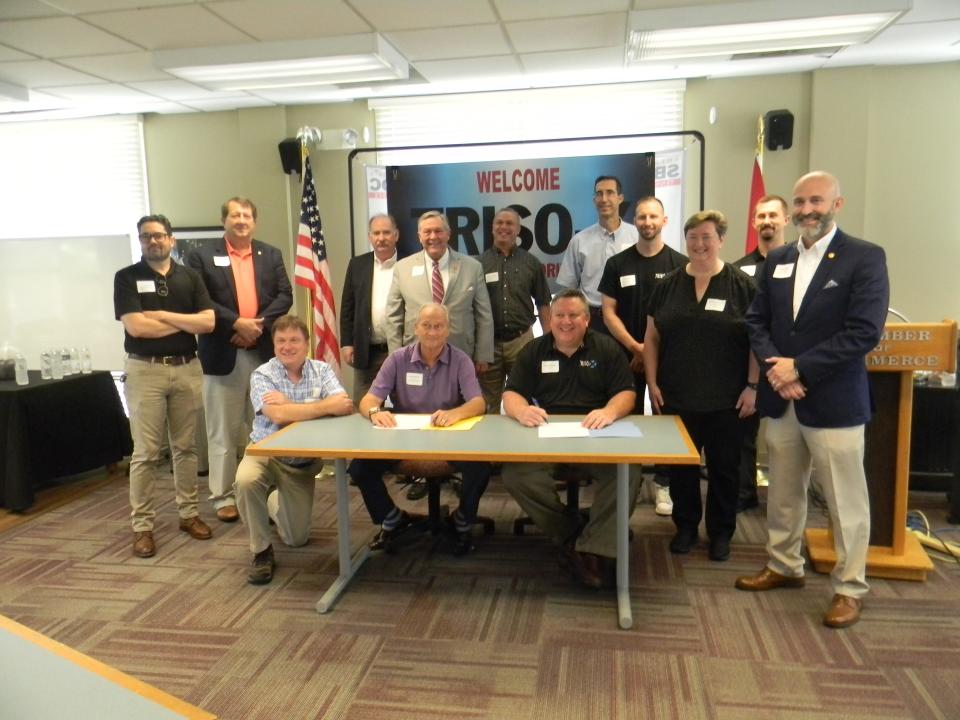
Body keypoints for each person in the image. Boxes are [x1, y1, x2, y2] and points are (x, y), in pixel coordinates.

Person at [736, 172, 889, 629]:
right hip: (782, 400)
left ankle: (849, 587)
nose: (806, 209)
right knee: (782, 492)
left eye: (816, 201)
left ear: (837, 203)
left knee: (845, 501)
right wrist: (777, 370)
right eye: (800, 201)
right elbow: (756, 320)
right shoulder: (778, 259)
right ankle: (784, 565)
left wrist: (798, 368)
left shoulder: (864, 257)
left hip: (834, 403)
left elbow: (864, 331)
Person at [501, 289, 638, 589]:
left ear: (587, 320)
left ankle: (593, 549)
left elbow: (626, 393)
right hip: (548, 436)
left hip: (597, 436)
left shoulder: (607, 349)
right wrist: (522, 410)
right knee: (515, 475)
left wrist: (610, 411)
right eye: (559, 315)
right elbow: (511, 394)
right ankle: (573, 531)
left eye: (573, 315)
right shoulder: (534, 350)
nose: (565, 322)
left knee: (628, 472)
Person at [643, 210, 759, 563]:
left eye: (707, 237)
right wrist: (651, 382)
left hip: (728, 399)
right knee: (682, 469)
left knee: (725, 469)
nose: (699, 244)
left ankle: (721, 533)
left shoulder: (742, 285)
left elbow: (757, 341)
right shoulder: (667, 285)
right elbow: (651, 338)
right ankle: (686, 528)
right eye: (693, 238)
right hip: (677, 395)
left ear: (721, 240)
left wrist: (753, 386)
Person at [350, 304, 491, 556]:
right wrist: (375, 412)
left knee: (481, 465)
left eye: (439, 326)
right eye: (426, 325)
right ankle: (391, 517)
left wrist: (455, 413)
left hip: (448, 439)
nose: (432, 332)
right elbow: (367, 400)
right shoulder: (397, 359)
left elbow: (478, 403)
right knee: (360, 466)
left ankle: (462, 520)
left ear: (448, 330)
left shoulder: (460, 360)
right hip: (404, 440)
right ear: (416, 328)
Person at [113, 214, 215, 558]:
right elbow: (137, 329)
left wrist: (162, 316)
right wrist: (185, 323)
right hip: (146, 372)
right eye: (146, 237)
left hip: (187, 369)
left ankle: (189, 515)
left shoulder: (190, 277)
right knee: (146, 453)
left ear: (171, 239)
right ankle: (142, 526)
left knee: (186, 448)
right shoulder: (126, 278)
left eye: (158, 235)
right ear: (141, 242)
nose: (153, 241)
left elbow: (208, 321)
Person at [186, 197, 293, 523]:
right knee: (222, 431)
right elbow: (199, 299)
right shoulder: (202, 255)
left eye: (247, 215)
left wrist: (254, 325)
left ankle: (263, 486)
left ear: (254, 221)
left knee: (264, 427)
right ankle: (222, 496)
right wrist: (235, 323)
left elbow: (284, 295)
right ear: (225, 220)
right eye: (235, 215)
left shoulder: (270, 254)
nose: (242, 220)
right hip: (223, 354)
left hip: (261, 354)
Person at [233, 314, 352, 584]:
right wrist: (320, 407)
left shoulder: (321, 370)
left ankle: (272, 502)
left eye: (294, 340)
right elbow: (277, 417)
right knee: (245, 480)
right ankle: (261, 550)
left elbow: (344, 405)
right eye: (281, 341)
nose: (287, 346)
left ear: (307, 344)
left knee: (296, 539)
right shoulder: (263, 374)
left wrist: (290, 406)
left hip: (300, 462)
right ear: (274, 345)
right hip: (265, 450)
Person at [598, 196, 687, 516]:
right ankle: (628, 482)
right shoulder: (617, 264)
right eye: (641, 217)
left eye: (653, 216)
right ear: (633, 222)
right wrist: (637, 348)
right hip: (623, 356)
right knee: (625, 420)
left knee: (665, 421)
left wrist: (650, 351)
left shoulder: (680, 264)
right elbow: (608, 313)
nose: (647, 222)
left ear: (664, 221)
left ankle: (664, 484)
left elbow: (681, 316)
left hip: (668, 360)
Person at [732, 195, 790, 512]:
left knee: (788, 442)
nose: (766, 221)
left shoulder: (800, 263)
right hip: (752, 367)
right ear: (754, 222)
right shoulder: (739, 270)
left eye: (773, 215)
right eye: (761, 216)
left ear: (786, 220)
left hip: (792, 367)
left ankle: (787, 501)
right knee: (744, 437)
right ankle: (743, 496)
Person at [385, 210, 494, 370]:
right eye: (427, 232)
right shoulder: (402, 268)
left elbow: (484, 314)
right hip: (414, 356)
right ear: (419, 236)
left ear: (448, 234)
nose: (433, 237)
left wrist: (483, 355)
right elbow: (393, 317)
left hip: (461, 355)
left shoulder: (472, 267)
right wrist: (395, 357)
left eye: (438, 231)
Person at [478, 207, 552, 414]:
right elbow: (472, 309)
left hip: (522, 341)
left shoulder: (531, 263)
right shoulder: (478, 264)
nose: (504, 227)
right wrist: (479, 350)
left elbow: (544, 303)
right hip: (489, 344)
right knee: (488, 404)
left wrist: (550, 341)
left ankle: (526, 444)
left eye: (509, 223)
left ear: (518, 229)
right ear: (492, 228)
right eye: (499, 222)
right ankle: (489, 446)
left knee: (527, 398)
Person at [556, 175, 639, 333]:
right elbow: (568, 290)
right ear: (594, 200)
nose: (604, 198)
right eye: (599, 194)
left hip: (628, 319)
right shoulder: (579, 241)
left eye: (610, 192)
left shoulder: (636, 237)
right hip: (593, 321)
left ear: (620, 198)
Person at [340, 213, 399, 400]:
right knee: (363, 405)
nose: (381, 238)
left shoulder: (408, 263)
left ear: (396, 235)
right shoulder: (357, 264)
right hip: (366, 350)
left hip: (399, 349)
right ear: (369, 237)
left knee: (403, 404)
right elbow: (347, 308)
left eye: (386, 233)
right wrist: (347, 343)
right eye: (376, 233)